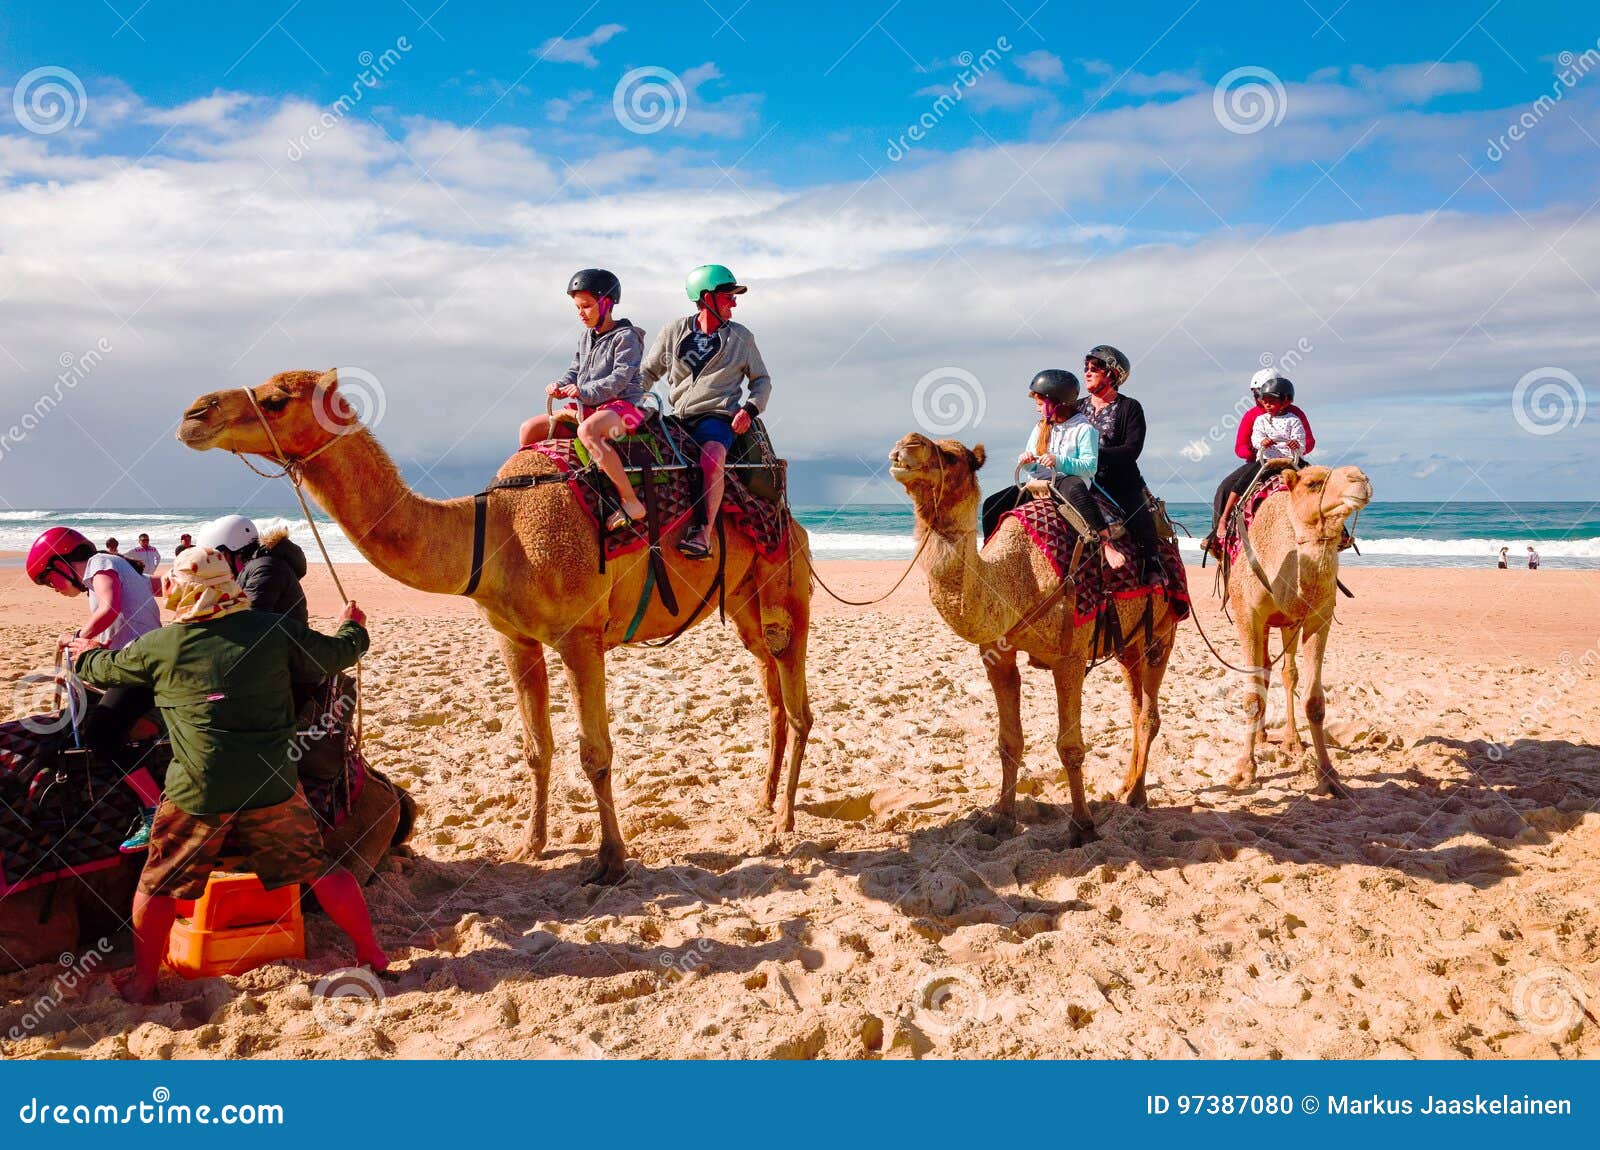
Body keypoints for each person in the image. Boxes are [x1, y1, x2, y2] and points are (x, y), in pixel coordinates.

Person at [67, 547, 389, 1004]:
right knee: (319, 869)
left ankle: (144, 982)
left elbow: (103, 668)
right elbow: (339, 653)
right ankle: (371, 953)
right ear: (230, 587)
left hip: (197, 790)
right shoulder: (274, 631)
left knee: (156, 885)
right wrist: (352, 623)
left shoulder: (161, 645)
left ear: (182, 590)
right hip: (272, 783)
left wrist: (81, 653)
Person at [25, 527, 164, 851]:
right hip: (134, 662)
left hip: (137, 668)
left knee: (100, 735)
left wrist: (75, 638)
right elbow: (127, 615)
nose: (53, 589)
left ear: (60, 563)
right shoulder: (121, 567)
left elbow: (111, 609)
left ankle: (154, 807)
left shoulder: (101, 564)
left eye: (49, 580)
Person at [641, 263, 773, 559]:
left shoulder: (741, 337)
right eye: (728, 295)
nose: (734, 302)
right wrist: (636, 400)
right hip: (677, 417)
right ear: (706, 297)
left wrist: (750, 410)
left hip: (718, 416)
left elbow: (762, 381)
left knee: (712, 454)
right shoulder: (673, 331)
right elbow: (647, 372)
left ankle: (703, 532)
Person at [517, 269, 651, 532]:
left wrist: (581, 391)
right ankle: (536, 494)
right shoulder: (585, 337)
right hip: (587, 404)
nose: (581, 313)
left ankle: (630, 501)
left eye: (587, 306)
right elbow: (575, 370)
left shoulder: (627, 337)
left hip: (625, 406)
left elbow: (619, 380)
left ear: (607, 304)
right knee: (529, 429)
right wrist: (560, 385)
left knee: (588, 432)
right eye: (577, 307)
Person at [980, 370, 1131, 569]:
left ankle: (1105, 544)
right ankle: (989, 550)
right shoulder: (1040, 428)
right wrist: (1026, 461)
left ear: (1058, 403)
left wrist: (1057, 461)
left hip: (1067, 480)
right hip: (1039, 483)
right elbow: (1032, 464)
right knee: (992, 504)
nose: (1037, 409)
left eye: (1040, 404)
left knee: (1077, 490)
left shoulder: (1084, 429)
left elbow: (1089, 467)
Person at [1078, 344, 1159, 574]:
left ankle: (1152, 566)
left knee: (1140, 519)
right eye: (1086, 367)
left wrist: (1094, 457)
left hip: (1117, 482)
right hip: (1078, 477)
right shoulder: (1076, 407)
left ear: (1112, 374)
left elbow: (1132, 450)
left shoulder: (1129, 407)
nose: (1087, 372)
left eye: (1095, 368)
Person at [1208, 373, 1305, 554]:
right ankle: (1218, 533)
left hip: (1291, 459)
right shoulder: (1253, 416)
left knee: (1321, 482)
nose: (1261, 401)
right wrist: (1257, 449)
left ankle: (1337, 531)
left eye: (1262, 395)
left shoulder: (1295, 415)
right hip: (1260, 460)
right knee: (1225, 488)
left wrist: (1296, 445)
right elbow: (1241, 447)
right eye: (1257, 396)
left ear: (1284, 399)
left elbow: (1308, 440)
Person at [195, 514, 308, 624]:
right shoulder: (256, 567)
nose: (217, 563)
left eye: (218, 556)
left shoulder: (265, 569)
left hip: (283, 641)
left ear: (229, 553)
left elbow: (249, 621)